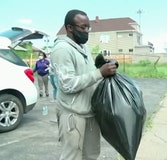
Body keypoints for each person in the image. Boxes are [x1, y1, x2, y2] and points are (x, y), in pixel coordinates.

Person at [50, 9, 117, 160]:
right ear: (69, 28)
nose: (86, 31)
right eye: (83, 27)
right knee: (72, 156)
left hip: (90, 113)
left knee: (91, 155)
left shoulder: (83, 48)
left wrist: (103, 67)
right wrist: (100, 73)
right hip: (73, 115)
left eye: (88, 27)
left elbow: (89, 72)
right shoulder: (62, 50)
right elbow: (67, 84)